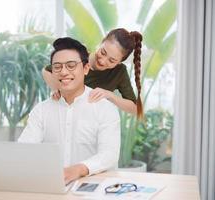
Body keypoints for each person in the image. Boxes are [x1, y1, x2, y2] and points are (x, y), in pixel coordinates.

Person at [18, 37, 120, 184]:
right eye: (57, 67)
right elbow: (24, 149)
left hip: (93, 190)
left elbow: (109, 155)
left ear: (85, 69)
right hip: (51, 188)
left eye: (71, 65)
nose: (64, 72)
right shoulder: (41, 111)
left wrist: (76, 170)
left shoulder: (105, 108)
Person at [43, 28, 144, 119]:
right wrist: (58, 90)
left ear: (120, 62)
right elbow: (46, 71)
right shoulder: (79, 56)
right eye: (103, 52)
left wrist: (109, 95)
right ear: (102, 42)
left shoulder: (119, 72)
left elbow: (135, 109)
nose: (103, 61)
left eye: (112, 61)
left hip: (89, 126)